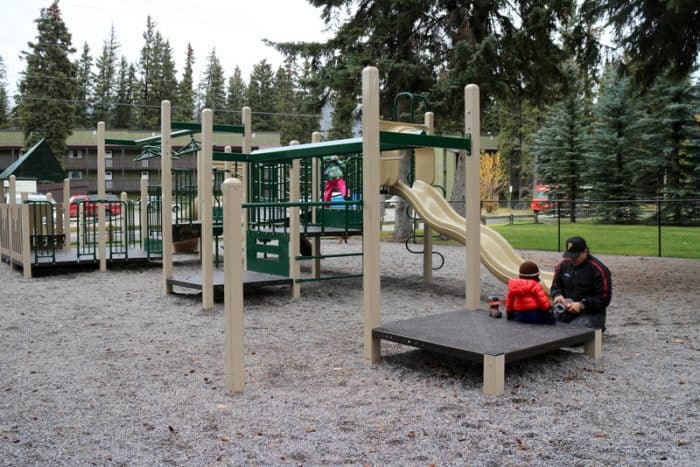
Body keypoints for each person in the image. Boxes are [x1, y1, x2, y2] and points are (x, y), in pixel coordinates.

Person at [550, 236, 612, 330]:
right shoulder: (563, 265)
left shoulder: (599, 269)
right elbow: (555, 286)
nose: (572, 259)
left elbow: (604, 298)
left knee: (573, 333)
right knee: (544, 326)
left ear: (585, 251)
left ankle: (596, 328)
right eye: (570, 255)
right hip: (566, 310)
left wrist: (582, 305)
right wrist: (557, 295)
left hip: (591, 313)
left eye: (575, 256)